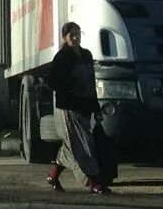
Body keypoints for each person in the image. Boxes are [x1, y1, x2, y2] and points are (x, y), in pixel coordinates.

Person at [43, 22, 114, 194]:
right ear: (65, 38)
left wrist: (96, 107)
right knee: (84, 143)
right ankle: (94, 182)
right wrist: (67, 91)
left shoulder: (86, 55)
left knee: (71, 145)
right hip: (70, 107)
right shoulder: (62, 58)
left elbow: (90, 82)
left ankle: (53, 176)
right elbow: (51, 81)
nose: (75, 38)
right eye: (71, 35)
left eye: (77, 34)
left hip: (86, 105)